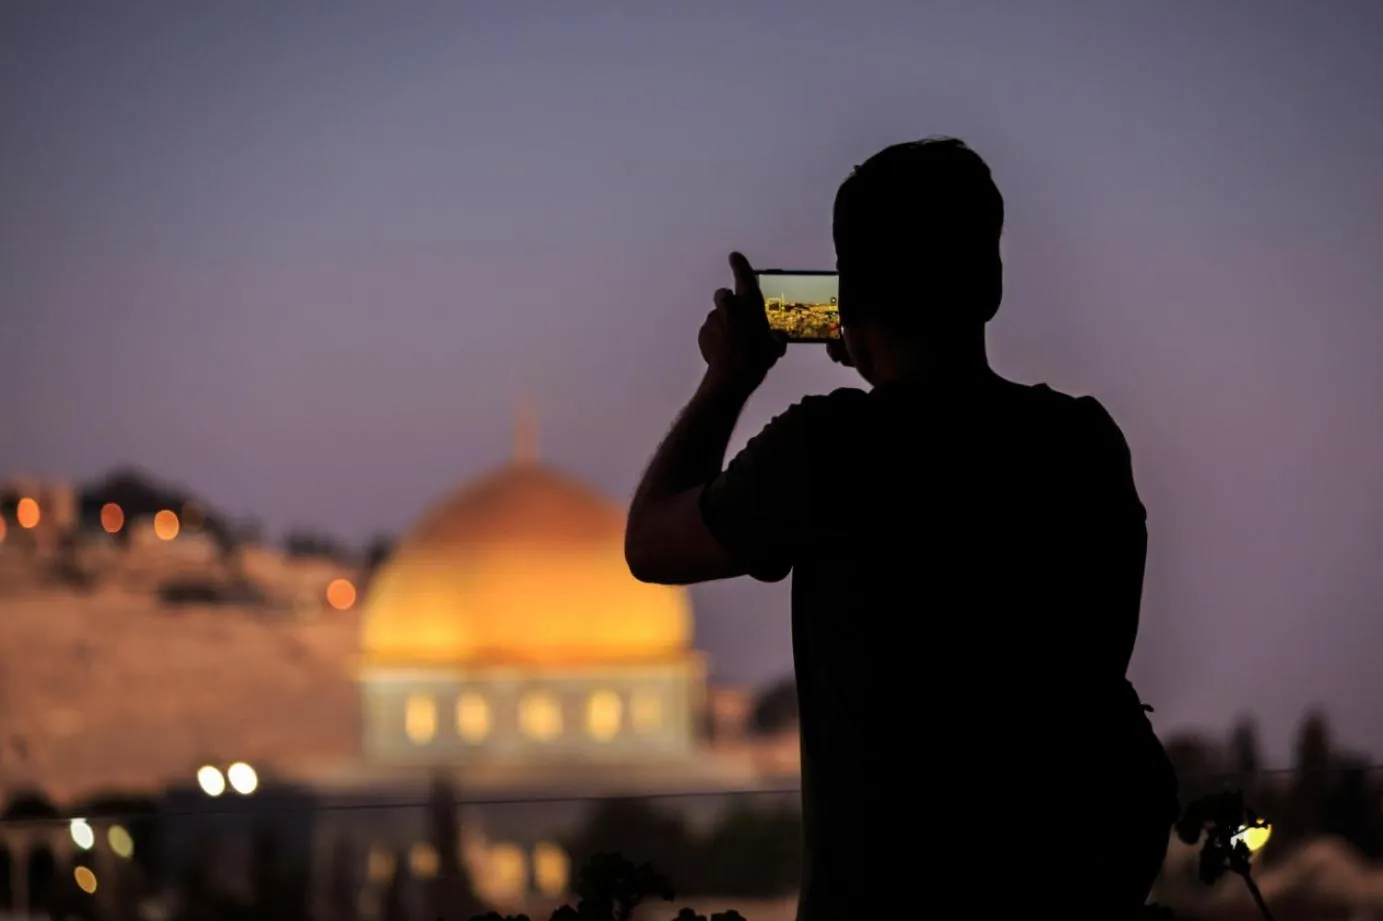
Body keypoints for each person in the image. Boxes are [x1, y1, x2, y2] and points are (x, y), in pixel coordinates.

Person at [624, 137, 1178, 920]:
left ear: (847, 299)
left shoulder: (830, 450)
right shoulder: (1081, 444)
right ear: (990, 285)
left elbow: (652, 543)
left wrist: (730, 375)